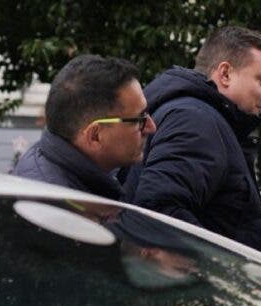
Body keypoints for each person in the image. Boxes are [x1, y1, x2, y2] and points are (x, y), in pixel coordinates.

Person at [122, 26, 261, 253]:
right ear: (225, 74)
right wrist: (221, 271)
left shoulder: (195, 115)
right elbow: (160, 211)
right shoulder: (196, 120)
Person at [13, 54, 156, 199]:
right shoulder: (60, 210)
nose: (151, 127)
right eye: (139, 119)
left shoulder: (53, 163)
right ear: (95, 136)